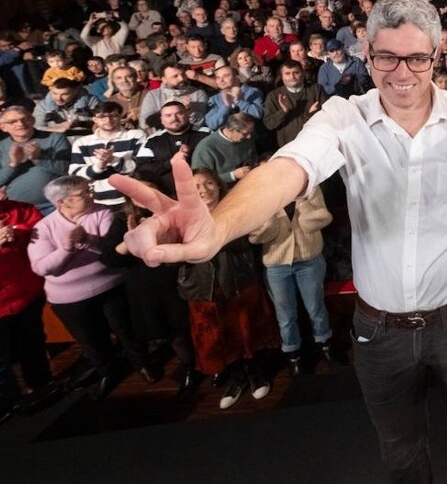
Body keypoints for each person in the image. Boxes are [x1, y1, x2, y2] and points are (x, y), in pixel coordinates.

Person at [112, 0, 447, 484]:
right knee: (401, 451)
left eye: (416, 57)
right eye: (387, 56)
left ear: (436, 56)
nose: (402, 71)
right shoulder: (344, 116)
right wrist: (218, 226)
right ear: (368, 55)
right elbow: (288, 170)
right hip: (379, 331)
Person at [27, 177, 157, 399]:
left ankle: (142, 363)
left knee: (126, 330)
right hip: (68, 298)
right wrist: (67, 249)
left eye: (89, 189)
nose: (91, 195)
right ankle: (107, 371)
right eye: (83, 193)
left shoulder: (102, 213)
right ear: (62, 202)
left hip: (110, 285)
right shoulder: (44, 227)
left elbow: (111, 252)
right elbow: (42, 268)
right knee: (91, 340)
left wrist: (87, 241)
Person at [177, 167, 279, 409]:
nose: (203, 190)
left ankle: (256, 374)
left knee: (248, 330)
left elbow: (248, 239)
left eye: (208, 183)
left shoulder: (235, 206)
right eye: (196, 186)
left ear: (218, 185)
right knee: (218, 336)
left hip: (238, 279)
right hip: (204, 287)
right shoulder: (181, 216)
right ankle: (235, 378)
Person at [249, 186, 342, 376]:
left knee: (316, 307)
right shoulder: (260, 195)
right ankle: (293, 354)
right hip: (277, 265)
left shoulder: (310, 188)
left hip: (309, 260)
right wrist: (271, 213)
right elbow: (256, 236)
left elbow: (316, 222)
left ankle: (325, 345)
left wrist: (303, 202)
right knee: (285, 315)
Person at [0, 189, 52, 420]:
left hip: (26, 294)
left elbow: (38, 231)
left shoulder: (19, 209)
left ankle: (40, 386)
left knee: (33, 343)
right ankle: (7, 402)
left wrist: (16, 235)